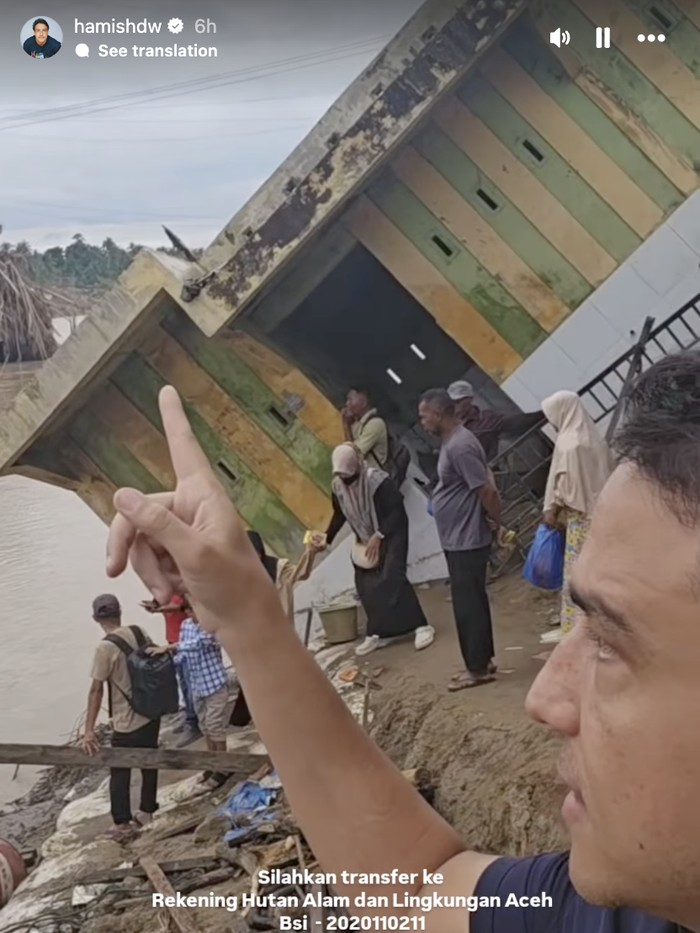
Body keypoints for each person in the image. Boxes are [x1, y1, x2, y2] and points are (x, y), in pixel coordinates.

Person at [105, 354, 700, 932]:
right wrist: (243, 615)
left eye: (609, 645)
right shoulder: (643, 908)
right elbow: (419, 888)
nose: (543, 699)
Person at [419, 390, 501, 691]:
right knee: (473, 601)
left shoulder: (461, 446)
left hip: (467, 538)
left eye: (424, 415)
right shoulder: (453, 442)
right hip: (458, 537)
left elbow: (486, 489)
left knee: (467, 605)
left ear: (438, 414)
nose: (422, 421)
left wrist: (496, 522)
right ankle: (482, 660)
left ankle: (477, 669)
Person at [325, 443, 435, 656]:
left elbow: (396, 511)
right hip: (365, 536)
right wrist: (326, 538)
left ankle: (421, 626)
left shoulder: (377, 481)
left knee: (392, 576)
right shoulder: (338, 486)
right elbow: (339, 515)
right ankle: (379, 633)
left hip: (391, 531)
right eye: (342, 477)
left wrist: (380, 535)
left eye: (349, 476)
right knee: (365, 584)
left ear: (357, 465)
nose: (346, 481)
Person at [82, 595, 160, 842]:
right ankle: (147, 811)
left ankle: (122, 822)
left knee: (119, 770)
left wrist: (89, 730)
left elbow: (96, 689)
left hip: (127, 720)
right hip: (150, 711)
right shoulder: (139, 632)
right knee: (149, 760)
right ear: (120, 612)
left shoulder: (105, 648)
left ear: (96, 618)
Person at [540, 391, 615, 640]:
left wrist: (552, 509)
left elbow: (564, 487)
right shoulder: (594, 439)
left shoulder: (567, 444)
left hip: (580, 520)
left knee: (580, 576)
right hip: (604, 515)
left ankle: (581, 628)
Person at [149, 612, 237, 791]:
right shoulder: (186, 625)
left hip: (214, 684)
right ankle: (214, 763)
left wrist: (170, 647)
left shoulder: (210, 625)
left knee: (214, 726)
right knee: (205, 727)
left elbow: (199, 643)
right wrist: (165, 662)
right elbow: (183, 656)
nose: (192, 613)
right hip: (197, 687)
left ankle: (224, 766)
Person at [141, 594, 200, 742]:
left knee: (189, 683)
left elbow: (181, 605)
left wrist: (158, 609)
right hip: (173, 638)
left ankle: (193, 723)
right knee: (183, 683)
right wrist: (155, 604)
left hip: (185, 639)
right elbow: (164, 599)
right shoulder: (165, 585)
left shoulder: (180, 584)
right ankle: (188, 715)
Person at [447, 380, 543, 462]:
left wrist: (546, 412)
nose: (455, 406)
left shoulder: (487, 419)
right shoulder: (448, 427)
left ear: (469, 399)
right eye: (451, 403)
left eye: (458, 401)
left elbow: (517, 421)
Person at [246, 531, 322, 625]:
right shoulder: (240, 578)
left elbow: (301, 573)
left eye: (255, 553)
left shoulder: (279, 568)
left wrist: (310, 551)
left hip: (283, 632)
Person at [342, 387, 389, 469]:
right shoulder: (357, 422)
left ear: (363, 403)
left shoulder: (375, 424)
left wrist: (346, 424)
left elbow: (353, 455)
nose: (347, 404)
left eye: (350, 400)